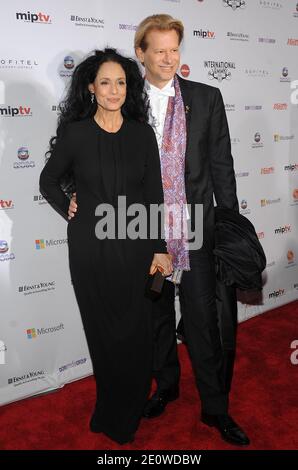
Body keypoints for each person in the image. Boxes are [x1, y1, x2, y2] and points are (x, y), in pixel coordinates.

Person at [68, 15, 250, 446]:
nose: (169, 58)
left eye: (175, 49)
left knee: (205, 321)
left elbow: (222, 168)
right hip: (140, 229)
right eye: (160, 50)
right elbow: (96, 151)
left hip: (195, 229)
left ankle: (215, 408)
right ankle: (165, 386)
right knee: (155, 318)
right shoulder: (125, 104)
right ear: (142, 54)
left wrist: (230, 226)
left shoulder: (206, 98)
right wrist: (76, 194)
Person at [39, 48, 172, 445]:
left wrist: (160, 247)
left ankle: (127, 413)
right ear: (90, 88)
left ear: (128, 88)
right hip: (89, 251)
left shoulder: (141, 133)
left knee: (135, 333)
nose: (114, 90)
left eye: (121, 82)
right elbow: (48, 181)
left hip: (135, 249)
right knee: (101, 334)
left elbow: (154, 195)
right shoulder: (76, 134)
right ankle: (108, 407)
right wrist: (69, 207)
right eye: (105, 82)